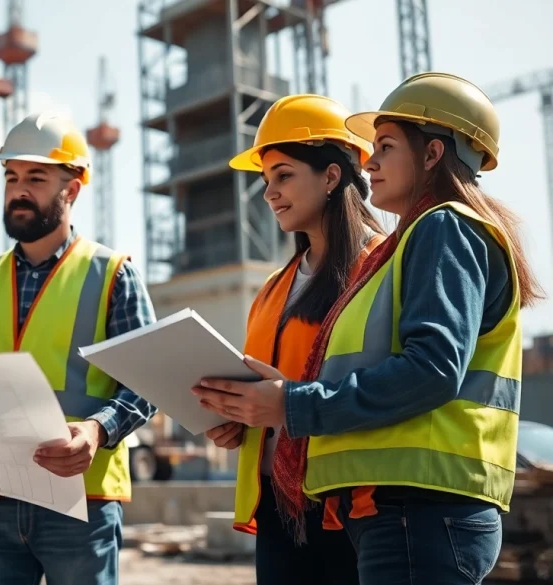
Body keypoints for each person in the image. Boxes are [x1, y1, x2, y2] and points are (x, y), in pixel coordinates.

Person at [193, 72, 542, 585]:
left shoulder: (435, 231)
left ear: (431, 155)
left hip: (414, 506)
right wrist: (251, 411)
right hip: (383, 502)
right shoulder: (399, 249)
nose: (370, 162)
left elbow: (431, 368)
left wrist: (290, 404)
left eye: (384, 146)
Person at [0, 111, 158, 585]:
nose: (19, 189)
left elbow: (148, 381)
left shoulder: (113, 274)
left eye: (35, 177)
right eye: (11, 176)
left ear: (71, 190)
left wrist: (97, 431)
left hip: (80, 502)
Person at [204, 94, 385, 584]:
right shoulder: (272, 289)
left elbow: (391, 383)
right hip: (278, 507)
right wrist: (237, 418)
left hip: (352, 509)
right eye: (266, 181)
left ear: (331, 176)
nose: (269, 193)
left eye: (283, 175)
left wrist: (285, 404)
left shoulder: (382, 268)